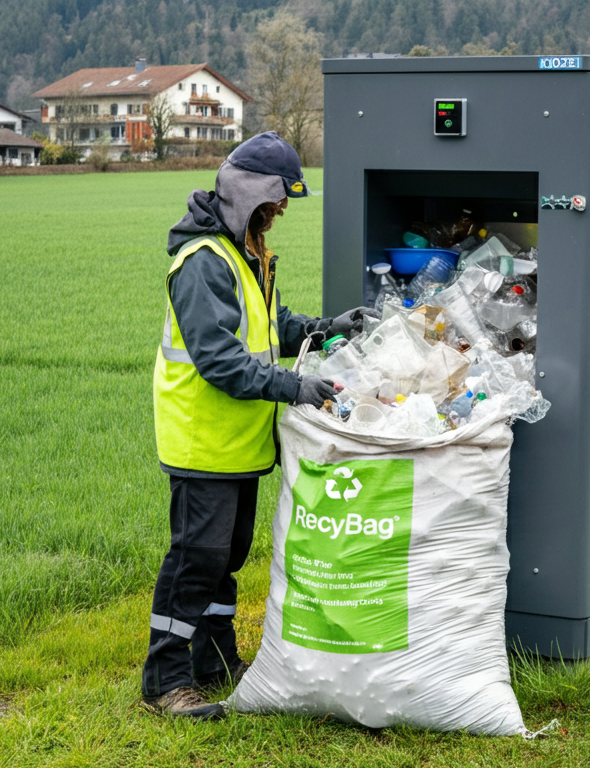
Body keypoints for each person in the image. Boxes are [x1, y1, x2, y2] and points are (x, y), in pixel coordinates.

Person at [144, 132, 372, 719]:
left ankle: (214, 664)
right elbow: (219, 359)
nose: (278, 217)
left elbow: (271, 328)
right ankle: (165, 683)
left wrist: (327, 328)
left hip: (240, 443)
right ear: (249, 196)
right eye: (274, 205)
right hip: (203, 442)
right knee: (197, 560)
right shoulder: (203, 264)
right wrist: (296, 388)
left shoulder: (247, 254)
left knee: (227, 559)